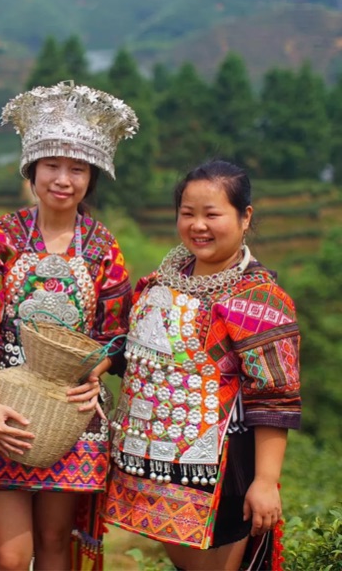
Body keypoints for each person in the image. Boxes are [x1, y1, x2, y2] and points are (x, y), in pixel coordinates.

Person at [0, 82, 138, 570]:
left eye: (77, 169)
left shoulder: (103, 245)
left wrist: (95, 376)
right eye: (52, 166)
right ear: (31, 170)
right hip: (5, 409)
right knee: (12, 557)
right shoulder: (1, 236)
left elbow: (116, 336)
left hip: (72, 411)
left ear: (91, 177)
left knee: (58, 541)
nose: (63, 179)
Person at [103, 160, 301, 571]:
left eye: (212, 214)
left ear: (245, 217)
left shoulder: (259, 298)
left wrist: (264, 482)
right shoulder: (162, 281)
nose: (198, 225)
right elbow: (143, 356)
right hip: (155, 462)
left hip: (220, 472)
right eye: (188, 213)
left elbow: (275, 398)